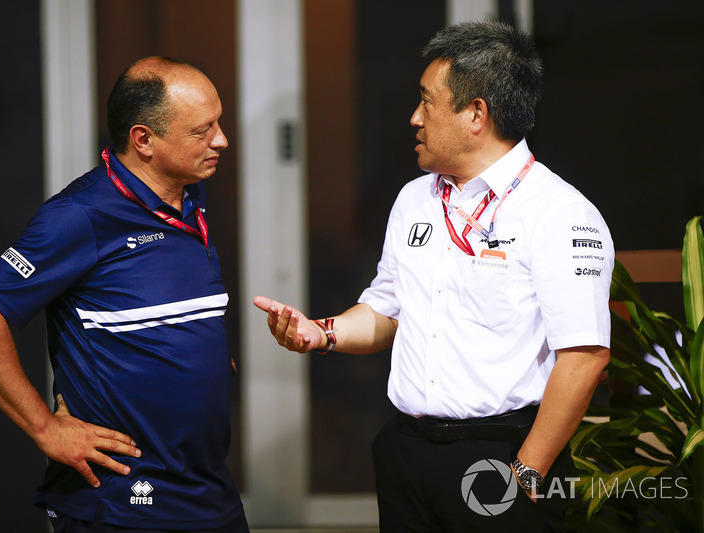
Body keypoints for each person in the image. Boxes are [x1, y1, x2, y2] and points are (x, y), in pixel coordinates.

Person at [254, 21, 613, 532]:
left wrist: (526, 474)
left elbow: (584, 357)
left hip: (501, 454)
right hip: (406, 452)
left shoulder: (560, 213)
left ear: (475, 114)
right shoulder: (415, 199)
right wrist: (324, 333)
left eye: (427, 101)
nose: (414, 117)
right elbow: (386, 309)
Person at [0, 57, 248, 532]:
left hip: (206, 486)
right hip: (121, 498)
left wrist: (202, 350)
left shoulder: (190, 196)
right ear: (143, 139)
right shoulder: (79, 217)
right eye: (202, 130)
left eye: (219, 122)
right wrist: (45, 429)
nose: (221, 140)